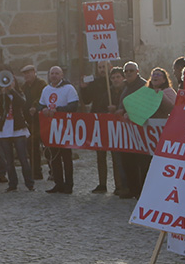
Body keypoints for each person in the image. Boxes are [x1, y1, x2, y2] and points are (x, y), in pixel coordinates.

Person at [81, 66, 124, 195]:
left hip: (117, 127)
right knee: (100, 155)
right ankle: (102, 183)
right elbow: (92, 103)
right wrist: (83, 88)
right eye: (113, 77)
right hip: (102, 125)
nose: (115, 80)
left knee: (116, 156)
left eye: (118, 77)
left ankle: (119, 185)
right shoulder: (103, 89)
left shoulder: (124, 90)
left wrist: (116, 110)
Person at [39, 66, 79, 194]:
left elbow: (73, 106)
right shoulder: (46, 89)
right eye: (52, 73)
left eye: (57, 73)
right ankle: (58, 183)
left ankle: (69, 184)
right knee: (54, 157)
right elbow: (41, 104)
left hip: (65, 128)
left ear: (62, 75)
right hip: (51, 129)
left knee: (66, 157)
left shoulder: (69, 88)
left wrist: (58, 110)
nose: (54, 76)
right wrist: (43, 109)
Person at [113, 61, 150, 197]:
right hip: (127, 132)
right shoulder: (126, 87)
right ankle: (132, 189)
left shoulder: (144, 86)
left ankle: (141, 191)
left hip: (140, 131)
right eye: (126, 71)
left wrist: (130, 111)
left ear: (137, 72)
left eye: (131, 71)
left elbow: (146, 106)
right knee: (127, 162)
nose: (128, 73)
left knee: (141, 163)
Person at [0, 78, 34, 191]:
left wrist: (12, 91)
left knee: (23, 158)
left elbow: (22, 103)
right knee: (9, 160)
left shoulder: (19, 94)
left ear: (15, 83)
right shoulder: (1, 95)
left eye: (12, 82)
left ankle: (29, 183)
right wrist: (2, 95)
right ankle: (12, 184)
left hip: (17, 129)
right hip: (4, 129)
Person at [21, 65, 46, 181]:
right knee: (32, 146)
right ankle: (36, 172)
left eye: (29, 73)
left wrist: (35, 106)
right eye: (25, 74)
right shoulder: (24, 87)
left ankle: (53, 171)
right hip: (30, 121)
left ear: (34, 72)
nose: (27, 75)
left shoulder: (41, 84)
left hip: (41, 119)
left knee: (47, 146)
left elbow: (43, 97)